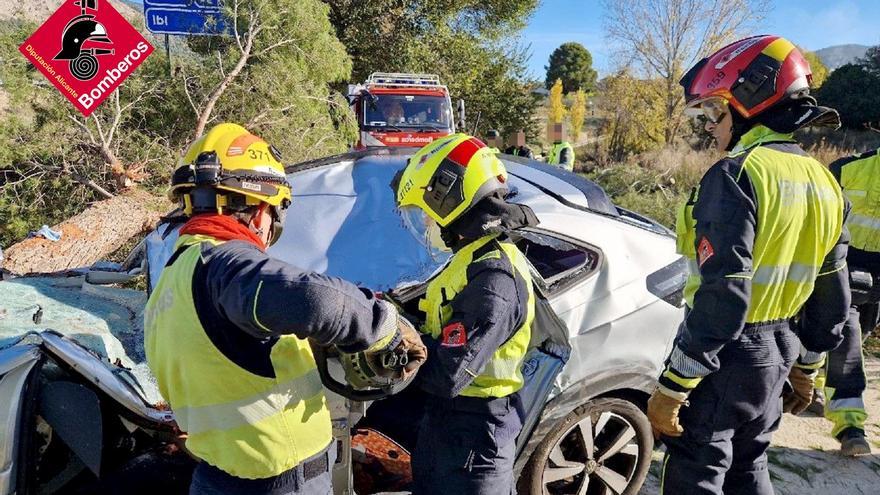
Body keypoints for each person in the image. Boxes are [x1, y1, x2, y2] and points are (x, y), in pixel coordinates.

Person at [144, 123, 427, 495]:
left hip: (217, 477)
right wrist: (384, 328)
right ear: (261, 210)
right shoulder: (229, 267)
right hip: (280, 483)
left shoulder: (175, 276)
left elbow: (233, 356)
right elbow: (319, 299)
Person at [648, 35, 850, 494]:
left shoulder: (737, 174)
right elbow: (831, 292)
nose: (710, 128)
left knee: (697, 472)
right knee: (748, 466)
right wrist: (808, 364)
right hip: (780, 349)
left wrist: (674, 385)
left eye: (714, 113)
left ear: (748, 102)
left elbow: (724, 294)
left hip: (727, 356)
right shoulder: (825, 181)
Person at [391, 133, 540, 494]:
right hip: (449, 427)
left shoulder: (494, 279)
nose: (426, 223)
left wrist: (392, 338)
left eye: (426, 214)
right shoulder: (469, 255)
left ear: (451, 200)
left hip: (476, 440)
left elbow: (448, 371)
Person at [812, 147, 880, 456]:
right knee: (847, 342)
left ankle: (811, 382)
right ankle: (850, 427)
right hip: (844, 270)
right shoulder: (846, 169)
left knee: (856, 337)